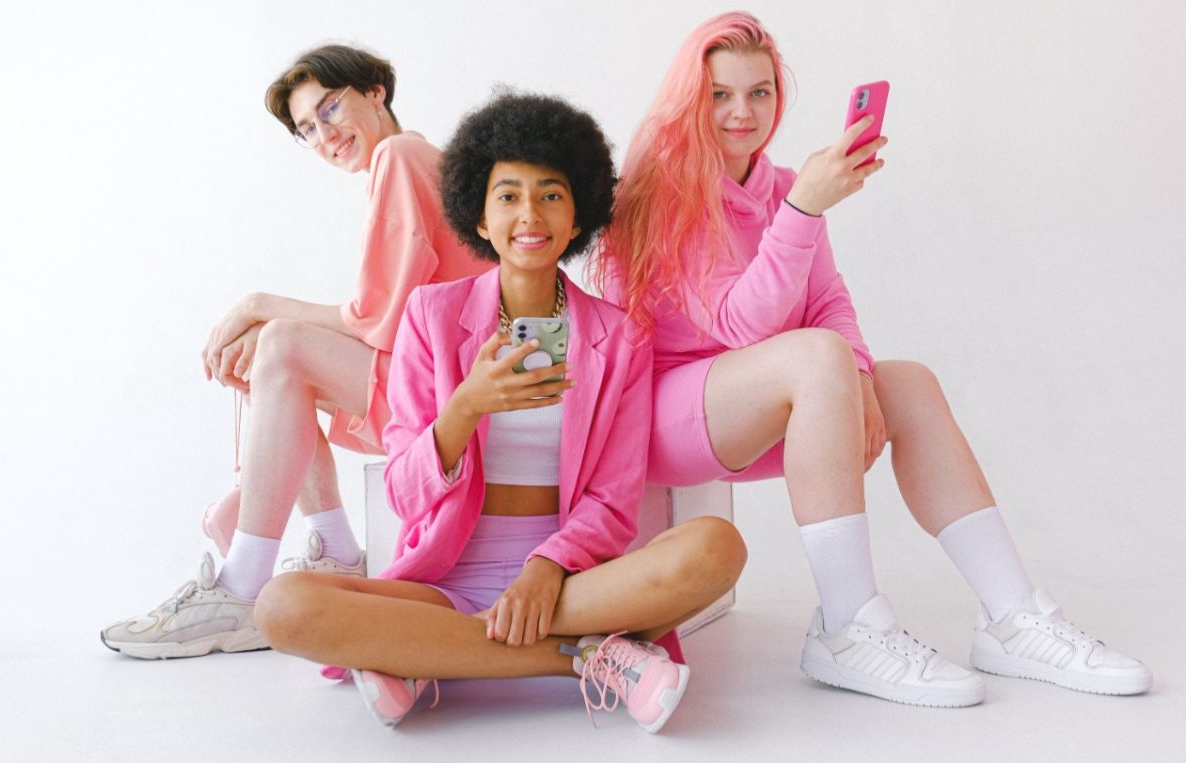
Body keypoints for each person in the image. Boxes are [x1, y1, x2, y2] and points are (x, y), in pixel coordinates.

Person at [596, 11, 1151, 706]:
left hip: (758, 397)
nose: (743, 112)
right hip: (662, 413)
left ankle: (1014, 615)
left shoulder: (782, 185)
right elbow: (738, 327)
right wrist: (803, 211)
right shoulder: (664, 193)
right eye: (720, 94)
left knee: (907, 383)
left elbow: (828, 298)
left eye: (760, 92)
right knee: (816, 356)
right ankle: (846, 623)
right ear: (690, 98)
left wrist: (858, 380)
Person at [253, 93, 746, 732]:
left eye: (551, 194)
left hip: (574, 583)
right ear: (479, 219)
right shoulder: (431, 317)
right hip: (442, 583)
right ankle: (592, 657)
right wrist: (465, 408)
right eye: (508, 196)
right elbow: (404, 495)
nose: (529, 214)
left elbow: (616, 499)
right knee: (282, 606)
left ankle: (420, 653)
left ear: (578, 218)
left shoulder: (621, 336)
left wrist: (546, 570)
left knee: (717, 546)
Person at [100, 44, 491, 659]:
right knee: (274, 351)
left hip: (454, 398)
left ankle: (240, 587)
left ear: (376, 92)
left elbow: (374, 317)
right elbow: (388, 317)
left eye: (330, 108)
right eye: (308, 129)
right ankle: (332, 548)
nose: (325, 134)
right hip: (439, 385)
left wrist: (260, 305)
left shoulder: (400, 154)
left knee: (280, 344)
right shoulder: (404, 164)